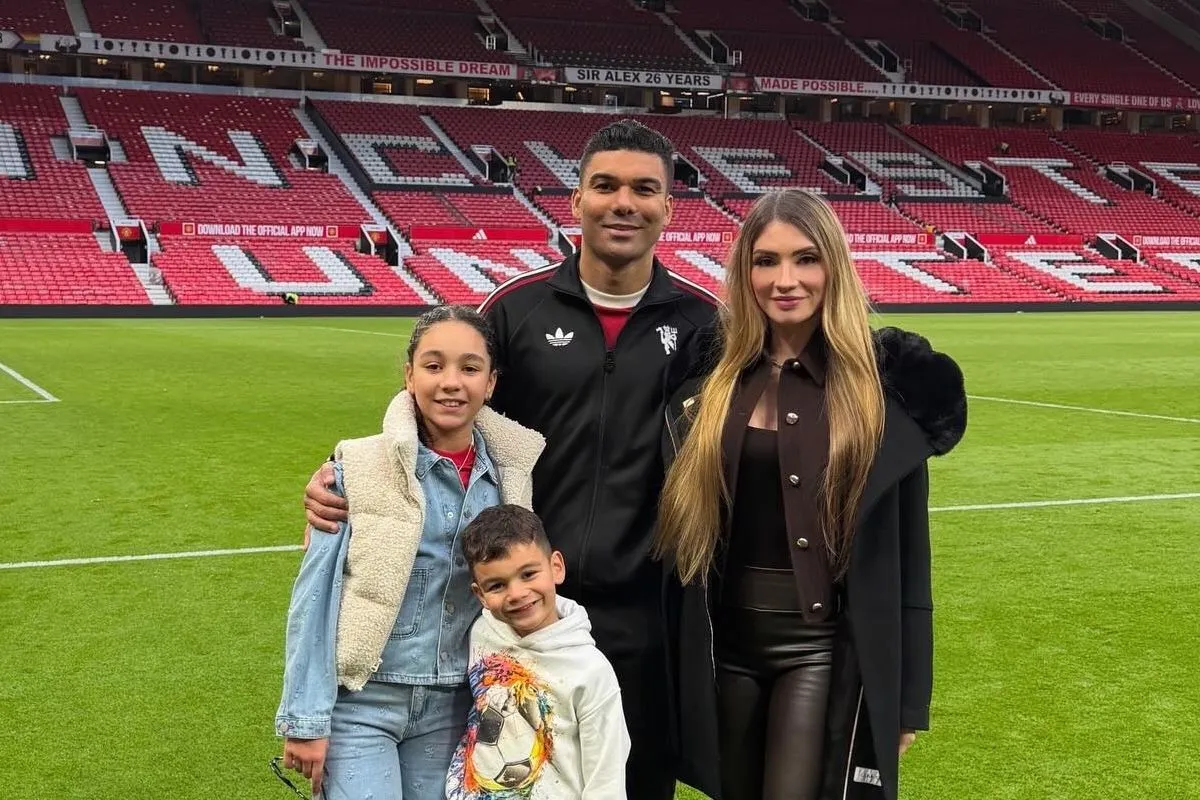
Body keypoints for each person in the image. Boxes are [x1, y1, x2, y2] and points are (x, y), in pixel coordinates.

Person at [305, 119, 719, 800]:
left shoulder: (706, 326)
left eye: (644, 189)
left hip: (647, 611)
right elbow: (442, 400)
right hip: (518, 604)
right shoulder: (516, 310)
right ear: (576, 200)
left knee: (632, 780)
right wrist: (343, 471)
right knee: (512, 784)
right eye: (605, 185)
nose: (623, 203)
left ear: (668, 207)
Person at [655, 189, 967, 800]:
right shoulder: (708, 378)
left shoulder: (884, 389)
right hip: (722, 646)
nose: (785, 280)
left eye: (805, 259)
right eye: (766, 261)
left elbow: (909, 556)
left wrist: (908, 699)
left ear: (834, 266)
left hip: (819, 649)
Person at [275, 306, 545, 800]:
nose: (451, 383)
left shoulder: (511, 480)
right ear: (409, 376)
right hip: (362, 703)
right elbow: (315, 597)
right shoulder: (356, 467)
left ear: (490, 383)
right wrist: (305, 719)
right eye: (433, 365)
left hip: (455, 704)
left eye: (470, 368)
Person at [446, 504, 630, 800]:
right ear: (480, 594)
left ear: (556, 567)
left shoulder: (591, 671)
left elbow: (606, 780)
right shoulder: (482, 632)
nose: (517, 593)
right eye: (497, 585)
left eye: (529, 574)